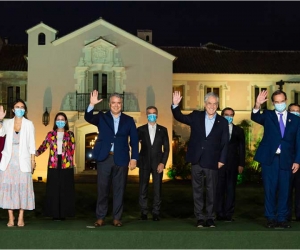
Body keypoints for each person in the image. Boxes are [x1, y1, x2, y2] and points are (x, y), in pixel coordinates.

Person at [171, 91, 229, 228]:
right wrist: (175, 105)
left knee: (211, 191)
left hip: (213, 161)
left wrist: (222, 160)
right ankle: (200, 218)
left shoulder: (223, 122)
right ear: (205, 104)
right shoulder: (196, 116)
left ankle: (210, 217)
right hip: (196, 159)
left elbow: (225, 142)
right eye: (209, 103)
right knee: (197, 190)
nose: (212, 106)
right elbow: (180, 117)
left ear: (218, 105)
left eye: (215, 104)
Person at [84, 90, 139, 227]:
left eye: (118, 103)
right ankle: (100, 217)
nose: (116, 105)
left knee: (119, 190)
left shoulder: (129, 120)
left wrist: (134, 158)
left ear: (122, 104)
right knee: (102, 189)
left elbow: (134, 140)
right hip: (104, 158)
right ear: (109, 104)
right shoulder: (102, 117)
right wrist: (91, 104)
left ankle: (116, 218)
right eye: (113, 103)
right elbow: (88, 117)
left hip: (121, 159)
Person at [251, 90, 300, 229]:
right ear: (273, 103)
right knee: (269, 189)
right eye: (276, 102)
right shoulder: (268, 115)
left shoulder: (296, 119)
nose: (279, 104)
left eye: (282, 101)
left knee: (285, 189)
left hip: (287, 159)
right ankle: (271, 218)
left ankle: (282, 218)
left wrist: (297, 160)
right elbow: (255, 116)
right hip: (270, 159)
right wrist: (257, 104)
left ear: (286, 100)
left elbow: (298, 142)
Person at [0, 100, 36, 227]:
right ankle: (11, 216)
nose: (19, 109)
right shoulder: (7, 122)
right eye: (17, 107)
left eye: (22, 107)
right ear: (13, 110)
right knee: (8, 187)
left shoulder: (29, 124)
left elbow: (32, 144)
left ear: (25, 110)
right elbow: (1, 133)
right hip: (8, 160)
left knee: (23, 188)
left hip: (23, 160)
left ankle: (21, 216)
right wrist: (0, 120)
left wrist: (32, 161)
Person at [35, 112, 75, 220]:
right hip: (53, 163)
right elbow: (44, 145)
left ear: (65, 121)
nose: (60, 121)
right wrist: (36, 153)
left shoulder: (70, 134)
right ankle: (54, 213)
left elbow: (72, 149)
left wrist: (71, 162)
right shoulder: (51, 134)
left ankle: (64, 213)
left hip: (66, 164)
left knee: (65, 188)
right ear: (55, 121)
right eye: (58, 119)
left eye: (62, 119)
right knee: (53, 188)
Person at [137, 106, 170, 221]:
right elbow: (133, 143)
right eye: (149, 113)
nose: (152, 115)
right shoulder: (140, 130)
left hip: (158, 164)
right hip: (144, 163)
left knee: (157, 189)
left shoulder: (163, 130)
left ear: (157, 115)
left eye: (154, 113)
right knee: (143, 188)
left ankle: (156, 212)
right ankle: (144, 212)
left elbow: (166, 148)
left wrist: (162, 163)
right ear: (146, 115)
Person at [215, 107, 245, 222]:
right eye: (226, 114)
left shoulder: (239, 130)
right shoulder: (216, 129)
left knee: (231, 189)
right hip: (219, 164)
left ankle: (229, 214)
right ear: (222, 115)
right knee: (219, 189)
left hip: (233, 164)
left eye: (231, 114)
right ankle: (219, 213)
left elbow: (242, 148)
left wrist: (241, 163)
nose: (229, 116)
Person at [287, 103, 300, 222]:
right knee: (286, 190)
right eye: (293, 111)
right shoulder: (284, 126)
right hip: (288, 163)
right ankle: (286, 214)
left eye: (298, 111)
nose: (296, 113)